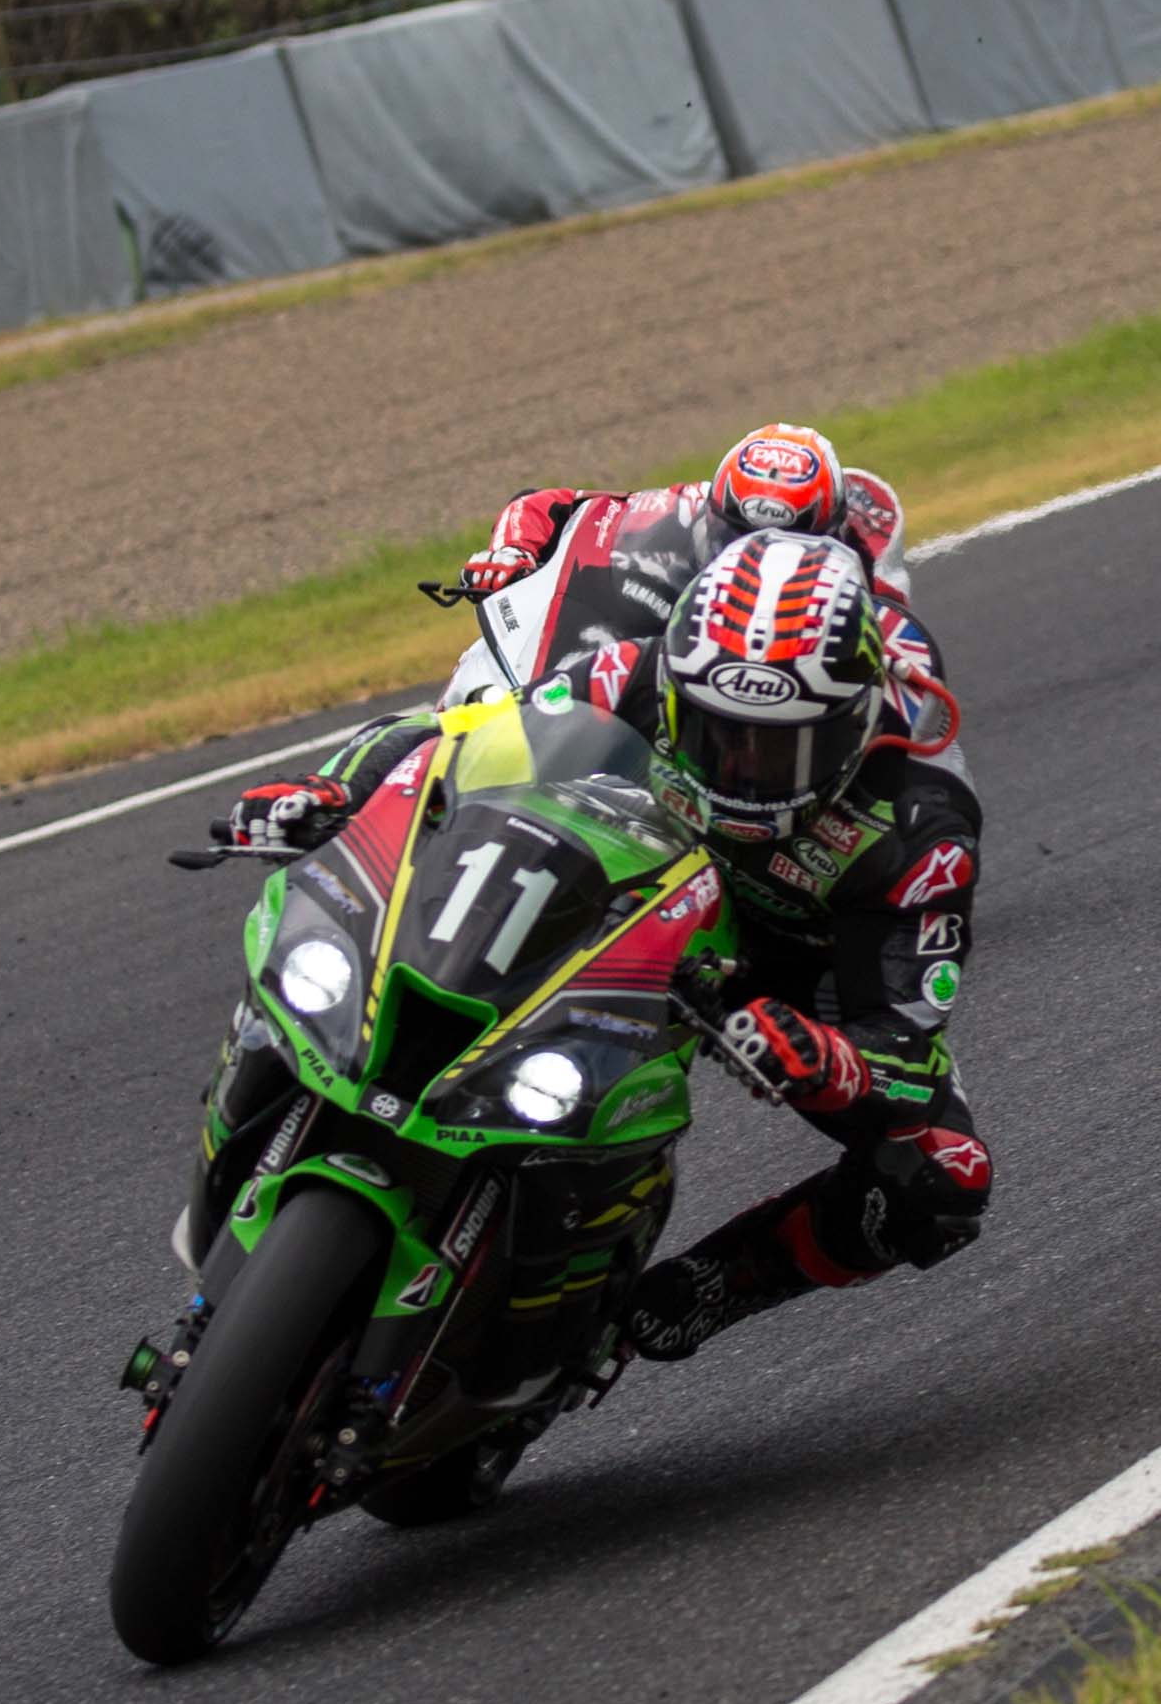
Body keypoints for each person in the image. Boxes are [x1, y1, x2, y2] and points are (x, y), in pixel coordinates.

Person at [224, 530, 989, 1361]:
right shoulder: (638, 671)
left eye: (779, 747)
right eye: (714, 731)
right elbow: (455, 734)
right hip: (624, 887)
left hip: (781, 970)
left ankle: (723, 1280)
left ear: (853, 724)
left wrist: (828, 1058)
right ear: (678, 688)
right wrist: (334, 789)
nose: (739, 767)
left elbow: (909, 1050)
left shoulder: (922, 829)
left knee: (946, 1175)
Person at [439, 422, 922, 709]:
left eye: (784, 542)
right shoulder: (677, 509)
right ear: (716, 512)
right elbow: (549, 503)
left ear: (828, 533)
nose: (754, 554)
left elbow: (899, 655)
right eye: (738, 535)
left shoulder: (855, 569)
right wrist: (513, 554)